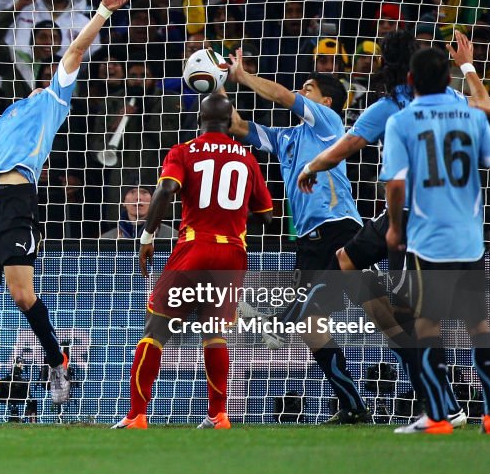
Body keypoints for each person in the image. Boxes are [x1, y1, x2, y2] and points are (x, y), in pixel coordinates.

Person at [0, 0, 130, 416]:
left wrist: (101, 11)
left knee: (20, 293)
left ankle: (56, 360)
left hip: (17, 201)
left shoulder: (51, 101)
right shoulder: (2, 119)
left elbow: (74, 54)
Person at [296, 30, 490, 430]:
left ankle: (442, 401)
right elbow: (485, 107)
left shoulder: (392, 107)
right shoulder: (451, 100)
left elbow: (348, 146)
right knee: (347, 259)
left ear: (390, 66)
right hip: (449, 214)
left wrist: (311, 166)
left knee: (414, 314)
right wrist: (467, 65)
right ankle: (400, 332)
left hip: (409, 214)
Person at [227, 48, 372, 424]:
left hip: (339, 227)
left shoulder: (328, 123)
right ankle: (354, 406)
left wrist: (244, 77)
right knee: (312, 326)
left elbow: (280, 95)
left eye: (307, 87)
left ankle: (430, 388)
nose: (299, 91)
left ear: (325, 101)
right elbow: (238, 126)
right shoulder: (287, 138)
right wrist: (216, 85)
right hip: (309, 238)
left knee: (317, 311)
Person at [113, 93, 273, 430]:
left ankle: (137, 416)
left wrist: (147, 236)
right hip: (231, 255)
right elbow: (267, 213)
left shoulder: (183, 151)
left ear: (198, 121)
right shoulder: (246, 158)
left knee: (155, 332)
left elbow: (165, 191)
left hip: (193, 248)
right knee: (214, 336)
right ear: (231, 124)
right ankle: (219, 415)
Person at [380, 46, 490, 435]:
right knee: (479, 325)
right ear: (449, 80)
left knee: (427, 325)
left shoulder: (402, 122)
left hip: (428, 239)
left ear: (410, 81)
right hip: (470, 238)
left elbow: (397, 183)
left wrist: (395, 228)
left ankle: (438, 416)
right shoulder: (472, 117)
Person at [99, 186, 177, 240]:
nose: (138, 197)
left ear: (153, 201)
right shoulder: (107, 238)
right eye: (132, 192)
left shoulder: (173, 236)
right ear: (123, 201)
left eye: (144, 192)